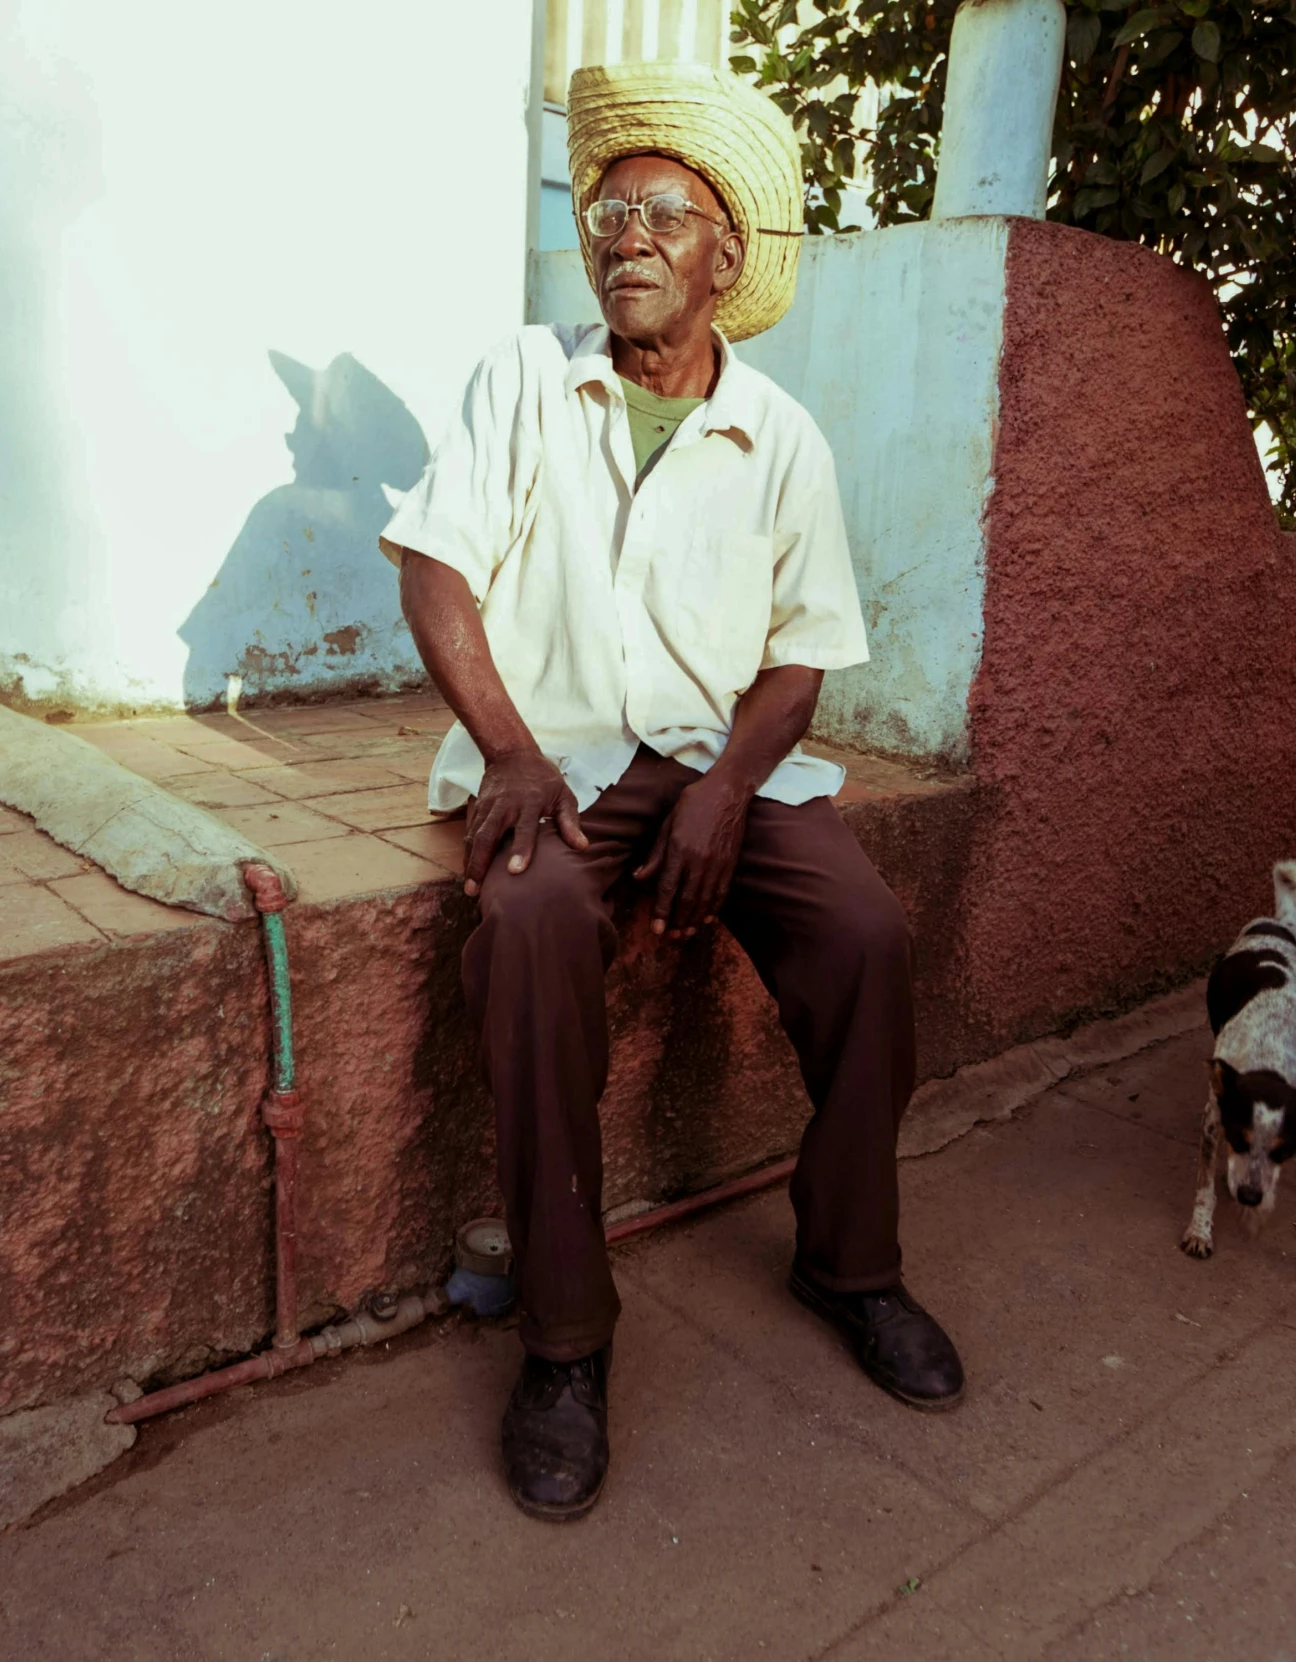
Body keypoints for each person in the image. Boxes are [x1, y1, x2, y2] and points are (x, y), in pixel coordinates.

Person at [379, 60, 963, 1524]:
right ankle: (566, 1340)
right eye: (607, 207)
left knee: (868, 938)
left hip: (730, 771)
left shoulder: (786, 440)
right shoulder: (523, 378)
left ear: (725, 257)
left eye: (665, 213)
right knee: (522, 930)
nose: (625, 233)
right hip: (560, 758)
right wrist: (509, 748)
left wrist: (723, 795)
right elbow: (436, 562)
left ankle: (849, 1259)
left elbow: (802, 661)